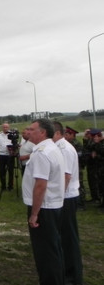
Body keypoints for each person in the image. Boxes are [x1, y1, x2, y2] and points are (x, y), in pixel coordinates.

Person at [22, 119, 65, 285]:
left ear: (42, 132)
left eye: (32, 129)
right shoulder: (51, 148)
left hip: (44, 208)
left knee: (45, 252)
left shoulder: (41, 152)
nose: (28, 131)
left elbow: (40, 185)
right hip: (53, 205)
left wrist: (34, 214)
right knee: (53, 248)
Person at [52, 121, 83, 285]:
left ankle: (73, 277)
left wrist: (57, 199)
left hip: (66, 197)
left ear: (57, 133)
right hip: (65, 196)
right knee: (64, 236)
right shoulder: (59, 147)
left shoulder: (63, 149)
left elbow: (65, 176)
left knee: (69, 237)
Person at [64, 126, 87, 210]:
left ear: (72, 135)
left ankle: (81, 203)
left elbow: (80, 156)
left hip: (77, 168)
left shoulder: (76, 144)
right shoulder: (67, 144)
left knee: (79, 185)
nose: (65, 136)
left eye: (67, 134)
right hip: (71, 167)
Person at [0, 123, 15, 191]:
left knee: (11, 171)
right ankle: (3, 186)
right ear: (2, 128)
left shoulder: (12, 135)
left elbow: (15, 145)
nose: (5, 128)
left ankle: (10, 186)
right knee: (1, 171)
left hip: (10, 155)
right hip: (1, 155)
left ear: (9, 127)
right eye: (4, 127)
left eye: (6, 127)